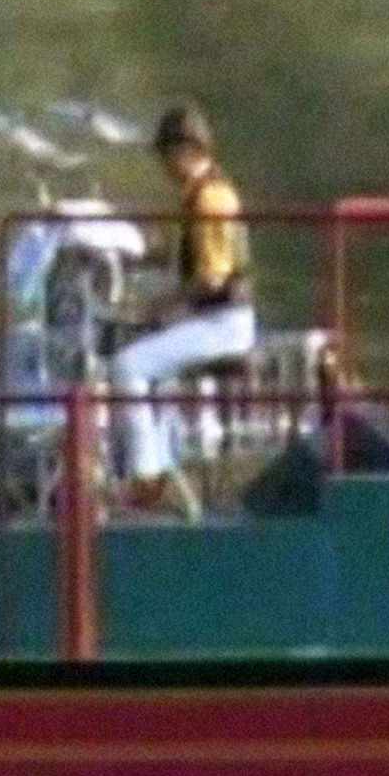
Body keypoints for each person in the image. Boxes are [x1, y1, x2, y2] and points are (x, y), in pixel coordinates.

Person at [111, 103, 257, 506]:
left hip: (225, 323)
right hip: (213, 318)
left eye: (166, 156)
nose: (164, 167)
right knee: (143, 353)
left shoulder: (212, 199)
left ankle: (146, 476)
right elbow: (179, 257)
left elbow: (212, 278)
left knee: (126, 366)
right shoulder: (194, 196)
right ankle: (158, 468)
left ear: (187, 151)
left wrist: (161, 307)